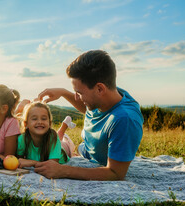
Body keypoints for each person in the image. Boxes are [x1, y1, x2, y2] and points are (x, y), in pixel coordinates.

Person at [35, 50, 144, 180]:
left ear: (100, 89)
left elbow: (115, 173)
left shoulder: (125, 120)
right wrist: (63, 93)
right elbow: (90, 109)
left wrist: (63, 171)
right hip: (85, 149)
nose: (76, 98)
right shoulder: (107, 94)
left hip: (98, 161)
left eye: (79, 93)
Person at [17, 101, 76, 168]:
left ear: (49, 123)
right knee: (59, 139)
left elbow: (52, 166)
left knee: (65, 145)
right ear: (26, 124)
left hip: (64, 152)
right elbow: (20, 160)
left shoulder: (53, 137)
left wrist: (32, 163)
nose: (39, 122)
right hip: (55, 144)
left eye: (44, 119)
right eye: (34, 119)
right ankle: (63, 129)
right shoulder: (22, 139)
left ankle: (63, 129)